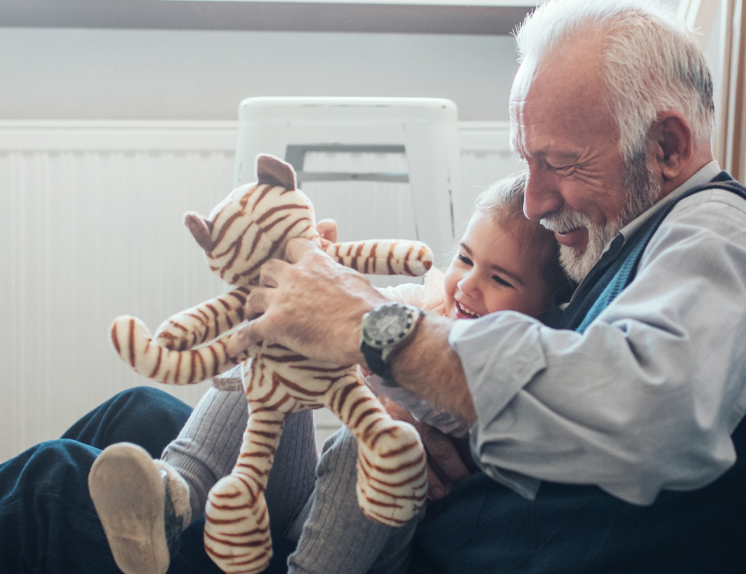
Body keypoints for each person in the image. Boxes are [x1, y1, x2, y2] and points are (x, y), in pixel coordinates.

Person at [238, 0, 746, 573]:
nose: (535, 202)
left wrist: (374, 327)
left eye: (561, 164)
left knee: (152, 424)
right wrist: (407, 401)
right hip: (414, 537)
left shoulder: (720, 230)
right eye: (526, 161)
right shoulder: (618, 246)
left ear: (667, 145)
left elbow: (646, 411)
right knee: (156, 413)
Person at [87, 171, 575, 574]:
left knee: (367, 441)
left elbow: (436, 400)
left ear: (547, 309)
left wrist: (369, 363)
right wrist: (315, 286)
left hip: (366, 549)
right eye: (465, 258)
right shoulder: (431, 303)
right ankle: (173, 491)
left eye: (500, 279)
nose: (467, 285)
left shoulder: (510, 369)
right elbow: (363, 312)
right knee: (279, 341)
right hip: (309, 507)